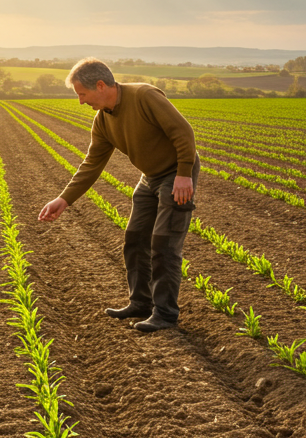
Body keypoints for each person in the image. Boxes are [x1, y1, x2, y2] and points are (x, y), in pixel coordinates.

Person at [38, 58, 198, 332]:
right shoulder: (103, 121)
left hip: (176, 174)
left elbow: (182, 132)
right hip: (150, 178)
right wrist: (63, 199)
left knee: (164, 244)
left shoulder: (144, 96)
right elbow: (92, 164)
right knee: (135, 239)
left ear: (100, 86)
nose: (80, 101)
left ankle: (166, 314)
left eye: (82, 94)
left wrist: (184, 173)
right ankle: (141, 303)